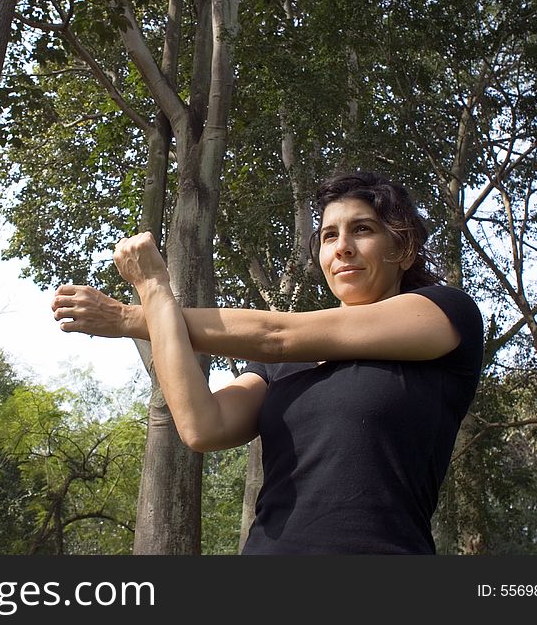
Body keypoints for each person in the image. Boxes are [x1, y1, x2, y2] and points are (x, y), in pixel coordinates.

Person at [51, 171, 484, 554]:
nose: (343, 248)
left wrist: (131, 314)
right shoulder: (283, 367)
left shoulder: (445, 312)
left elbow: (277, 335)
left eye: (363, 229)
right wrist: (154, 292)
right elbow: (203, 426)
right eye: (330, 236)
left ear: (403, 251)